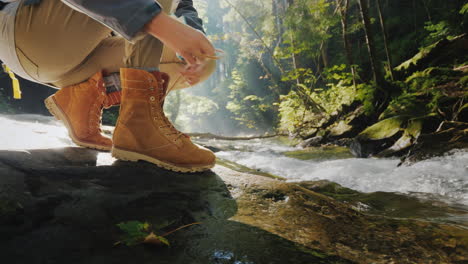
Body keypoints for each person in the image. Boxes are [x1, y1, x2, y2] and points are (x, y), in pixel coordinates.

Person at [0, 0, 217, 172]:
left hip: (83, 53)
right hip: (27, 32)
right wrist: (157, 22)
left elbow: (184, 7)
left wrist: (190, 38)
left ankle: (84, 98)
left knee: (197, 60)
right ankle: (139, 128)